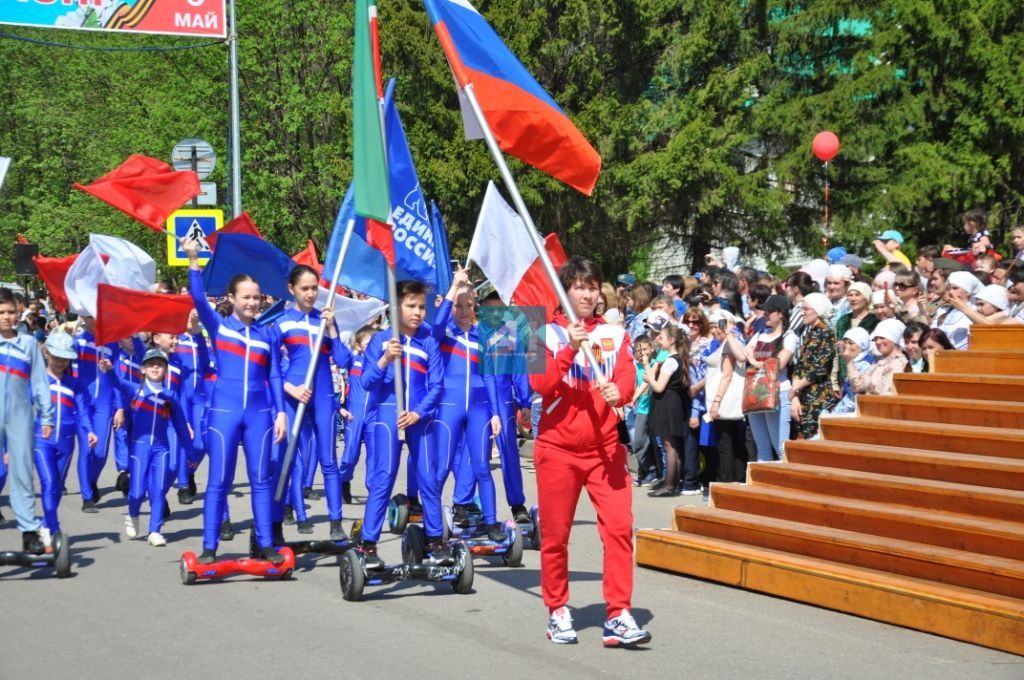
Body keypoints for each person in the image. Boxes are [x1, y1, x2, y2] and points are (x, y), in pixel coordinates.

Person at [530, 257, 650, 647]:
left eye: (593, 286)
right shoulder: (540, 332)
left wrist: (623, 391)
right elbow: (540, 383)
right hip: (557, 450)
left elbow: (627, 376)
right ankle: (558, 610)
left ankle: (619, 614)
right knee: (555, 535)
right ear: (565, 291)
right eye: (579, 286)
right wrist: (569, 346)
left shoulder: (616, 333)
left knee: (619, 530)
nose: (587, 292)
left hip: (605, 449)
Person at [182, 237, 288, 565]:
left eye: (257, 298)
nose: (253, 303)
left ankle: (266, 543)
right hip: (223, 412)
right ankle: (210, 545)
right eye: (247, 297)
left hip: (259, 414)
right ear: (232, 298)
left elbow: (273, 377)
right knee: (219, 479)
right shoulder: (218, 327)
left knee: (261, 479)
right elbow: (198, 297)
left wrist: (281, 413)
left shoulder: (267, 334)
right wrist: (193, 260)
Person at [356, 280, 443, 569]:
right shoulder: (382, 340)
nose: (418, 312)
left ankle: (435, 541)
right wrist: (384, 359)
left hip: (420, 418)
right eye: (411, 306)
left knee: (429, 480)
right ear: (396, 308)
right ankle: (368, 544)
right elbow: (366, 381)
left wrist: (419, 413)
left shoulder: (428, 342)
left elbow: (437, 385)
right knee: (383, 479)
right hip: (386, 417)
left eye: (421, 306)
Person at [272, 265, 348, 541]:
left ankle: (335, 520)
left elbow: (343, 361)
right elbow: (269, 367)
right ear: (292, 289)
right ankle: (285, 518)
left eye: (314, 288)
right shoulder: (281, 322)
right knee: (289, 458)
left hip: (324, 395)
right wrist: (289, 387)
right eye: (305, 288)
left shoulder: (324, 319)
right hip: (294, 396)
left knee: (328, 459)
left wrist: (332, 328)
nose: (311, 293)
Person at [428, 271, 503, 539]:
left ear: (475, 307)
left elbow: (490, 376)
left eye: (468, 305)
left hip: (480, 409)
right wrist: (454, 288)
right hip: (449, 405)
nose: (462, 311)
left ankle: (492, 522)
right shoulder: (443, 334)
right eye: (458, 306)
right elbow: (436, 325)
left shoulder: (482, 336)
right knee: (442, 468)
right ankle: (432, 523)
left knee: (482, 466)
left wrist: (496, 413)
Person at [111, 349, 199, 547]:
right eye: (151, 364)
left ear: (166, 370)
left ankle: (155, 531)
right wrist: (108, 370)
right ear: (143, 369)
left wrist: (191, 451)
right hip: (139, 448)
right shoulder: (135, 390)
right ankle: (133, 515)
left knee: (158, 490)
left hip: (161, 448)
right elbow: (117, 382)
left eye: (160, 364)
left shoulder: (170, 396)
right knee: (136, 493)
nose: (155, 367)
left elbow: (180, 425)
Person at [0, 287, 54, 554]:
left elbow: (40, 382)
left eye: (11, 312)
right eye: (1, 313)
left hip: (20, 416)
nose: (7, 317)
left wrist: (47, 415)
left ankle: (28, 531)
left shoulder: (29, 344)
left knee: (21, 473)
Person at [34, 331, 97, 546]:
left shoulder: (75, 384)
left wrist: (89, 430)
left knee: (57, 485)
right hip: (41, 441)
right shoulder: (36, 381)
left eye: (64, 358)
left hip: (66, 441)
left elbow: (83, 411)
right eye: (56, 356)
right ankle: (53, 528)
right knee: (49, 482)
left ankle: (45, 525)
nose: (60, 362)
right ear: (46, 352)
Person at [727, 294, 797, 461]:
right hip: (756, 392)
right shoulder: (760, 334)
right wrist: (729, 335)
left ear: (781, 314)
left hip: (778, 393)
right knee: (762, 447)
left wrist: (754, 361)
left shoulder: (790, 336)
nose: (765, 314)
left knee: (780, 447)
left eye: (770, 311)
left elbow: (779, 364)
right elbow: (743, 356)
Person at [73, 315, 122, 512]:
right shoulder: (77, 342)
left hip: (105, 402)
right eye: (88, 315)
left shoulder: (112, 344)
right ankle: (87, 498)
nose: (93, 318)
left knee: (100, 453)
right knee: (86, 448)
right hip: (82, 402)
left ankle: (91, 481)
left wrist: (119, 407)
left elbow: (116, 378)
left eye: (95, 314)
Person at [644, 324, 691, 497]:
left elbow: (659, 387)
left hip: (668, 403)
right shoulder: (676, 358)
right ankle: (670, 480)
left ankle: (670, 484)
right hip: (671, 402)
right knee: (671, 443)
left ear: (671, 340)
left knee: (669, 444)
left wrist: (650, 378)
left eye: (662, 337)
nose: (658, 339)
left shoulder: (671, 360)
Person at [705, 311, 747, 484]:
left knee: (725, 443)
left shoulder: (730, 343)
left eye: (717, 326)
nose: (714, 330)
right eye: (712, 327)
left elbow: (727, 375)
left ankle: (728, 482)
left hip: (724, 399)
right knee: (730, 441)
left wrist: (716, 401)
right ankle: (734, 480)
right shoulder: (723, 343)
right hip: (722, 397)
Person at [790, 293, 838, 440]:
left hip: (818, 397)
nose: (802, 313)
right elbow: (799, 367)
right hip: (804, 395)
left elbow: (820, 369)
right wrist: (795, 396)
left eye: (806, 309)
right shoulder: (810, 333)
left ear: (818, 310)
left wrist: (795, 388)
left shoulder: (825, 333)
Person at [337, 325, 376, 504]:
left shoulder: (382, 364)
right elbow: (339, 355)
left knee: (374, 455)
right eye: (368, 343)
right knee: (350, 454)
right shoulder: (354, 359)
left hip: (374, 415)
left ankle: (373, 491)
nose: (372, 346)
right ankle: (344, 481)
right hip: (354, 413)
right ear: (359, 346)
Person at [844, 319, 908, 398]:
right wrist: (849, 360)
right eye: (876, 339)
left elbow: (886, 394)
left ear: (894, 338)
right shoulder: (878, 361)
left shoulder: (899, 363)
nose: (878, 342)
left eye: (882, 338)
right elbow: (857, 386)